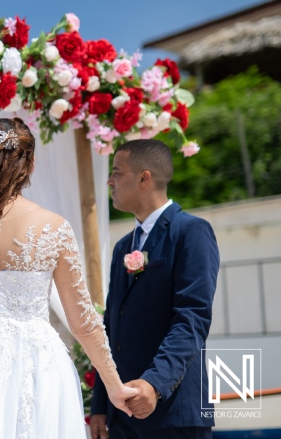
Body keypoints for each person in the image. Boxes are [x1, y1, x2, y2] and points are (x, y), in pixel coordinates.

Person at [0, 118, 138, 438]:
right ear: (30, 165)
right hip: (37, 367)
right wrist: (115, 387)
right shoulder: (54, 227)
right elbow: (83, 321)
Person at [89, 139, 220, 439]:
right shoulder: (124, 246)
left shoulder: (191, 232)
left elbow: (192, 320)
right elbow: (111, 328)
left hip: (174, 414)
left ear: (144, 178)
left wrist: (154, 384)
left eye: (117, 172)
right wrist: (100, 404)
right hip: (122, 416)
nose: (110, 181)